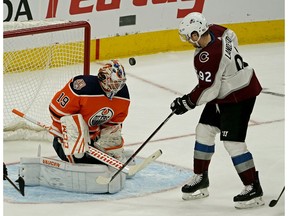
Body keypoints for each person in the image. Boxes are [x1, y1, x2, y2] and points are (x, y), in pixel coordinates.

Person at [170, 12, 264, 209]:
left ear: (196, 33)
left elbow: (209, 90)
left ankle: (253, 188)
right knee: (204, 130)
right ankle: (201, 177)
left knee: (233, 143)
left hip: (240, 95)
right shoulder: (216, 30)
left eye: (189, 36)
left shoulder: (207, 57)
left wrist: (186, 102)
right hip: (227, 91)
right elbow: (232, 35)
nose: (187, 40)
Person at [49, 59, 130, 164]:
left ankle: (109, 160)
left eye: (119, 83)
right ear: (103, 78)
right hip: (67, 138)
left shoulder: (123, 95)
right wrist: (67, 134)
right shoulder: (82, 87)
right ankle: (77, 154)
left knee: (113, 130)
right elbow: (56, 110)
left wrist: (103, 142)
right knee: (78, 147)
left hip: (92, 139)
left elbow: (114, 122)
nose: (117, 87)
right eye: (113, 82)